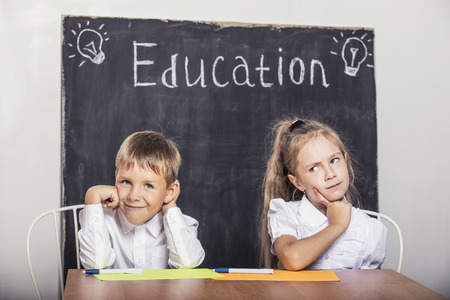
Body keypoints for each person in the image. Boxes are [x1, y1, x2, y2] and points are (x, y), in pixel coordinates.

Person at [260, 118, 386, 270]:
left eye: (334, 160)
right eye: (314, 168)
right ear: (297, 182)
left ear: (345, 159)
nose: (330, 174)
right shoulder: (286, 215)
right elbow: (292, 259)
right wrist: (337, 225)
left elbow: (370, 290)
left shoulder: (368, 228)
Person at [78, 131, 205, 269]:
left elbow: (187, 263)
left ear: (170, 191)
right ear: (116, 178)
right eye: (126, 182)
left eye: (148, 186)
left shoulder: (181, 225)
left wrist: (169, 206)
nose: (133, 196)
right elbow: (96, 263)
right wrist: (92, 194)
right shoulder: (101, 220)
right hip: (115, 292)